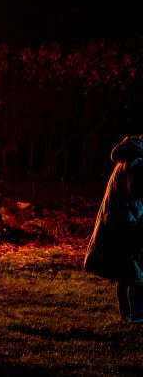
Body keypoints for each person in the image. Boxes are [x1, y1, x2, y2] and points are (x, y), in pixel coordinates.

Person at [84, 136, 143, 323]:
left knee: (124, 273)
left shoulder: (124, 163)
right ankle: (137, 316)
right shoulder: (135, 164)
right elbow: (135, 191)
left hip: (117, 223)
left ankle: (126, 314)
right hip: (127, 224)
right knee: (135, 273)